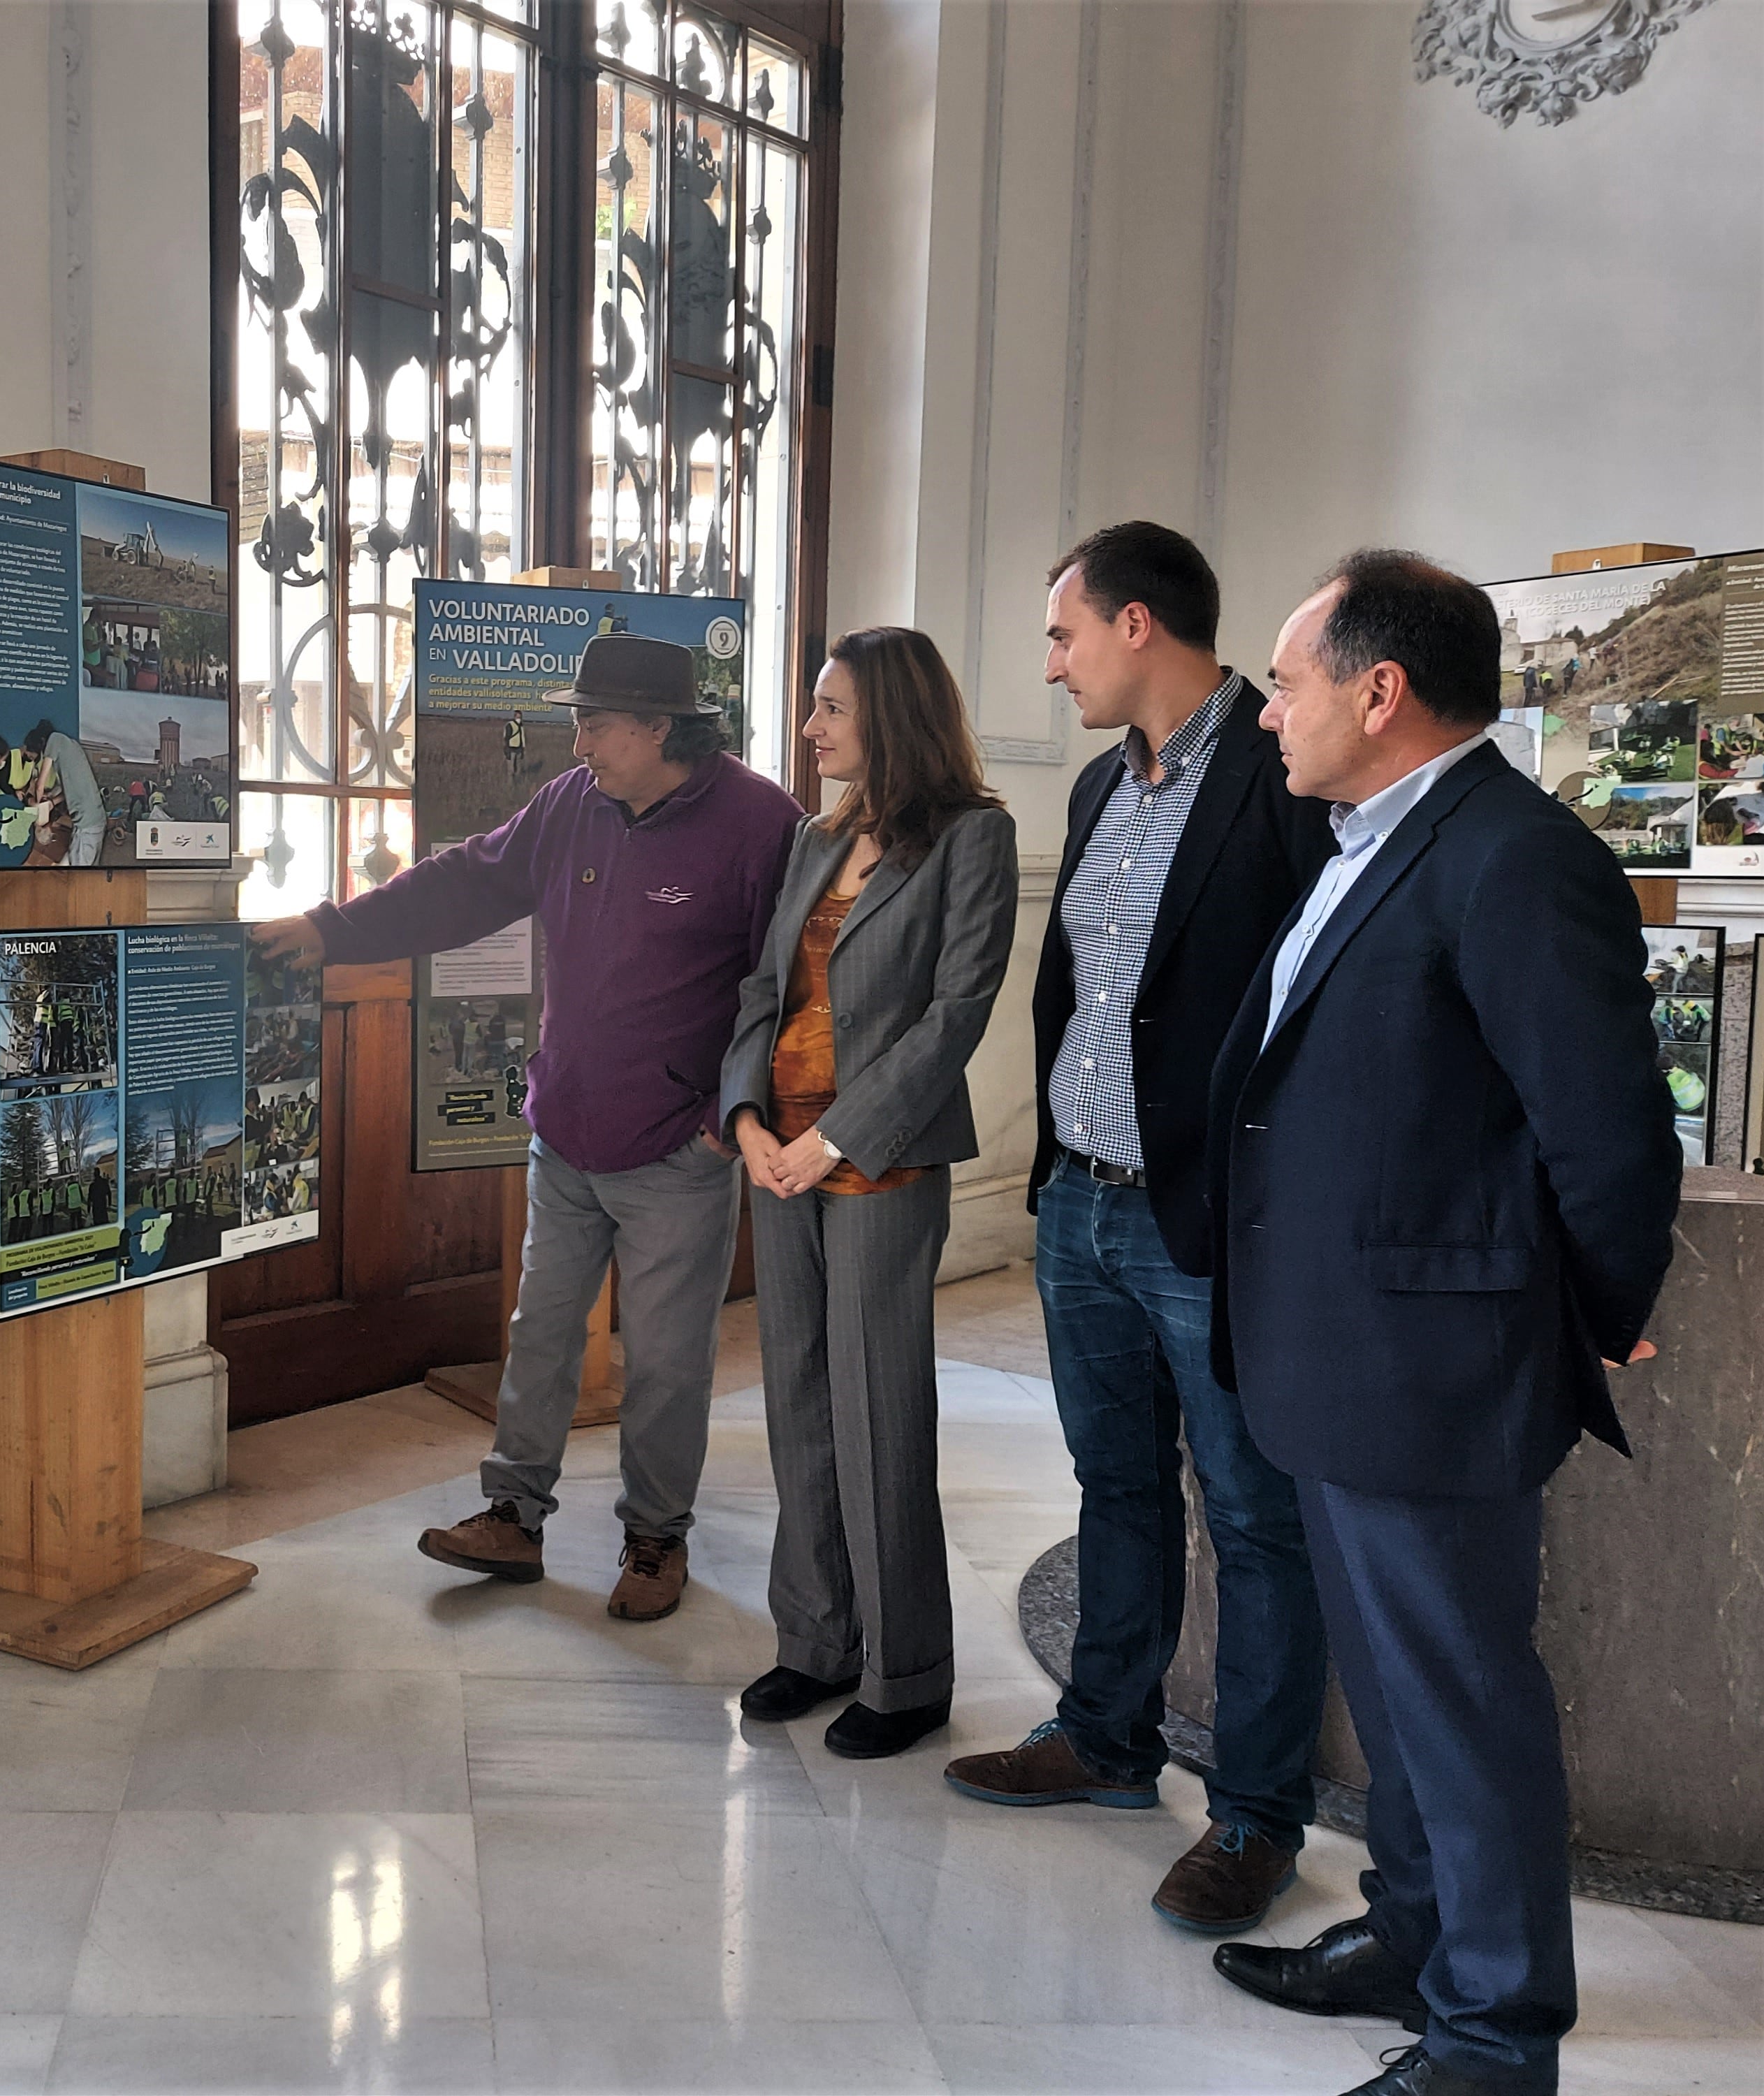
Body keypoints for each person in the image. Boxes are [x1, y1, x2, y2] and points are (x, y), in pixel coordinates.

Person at [1203, 552, 1679, 2096]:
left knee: (1462, 1703)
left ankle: (1488, 2040)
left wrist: (1591, 1317)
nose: (1264, 711)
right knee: (1399, 1691)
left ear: (1375, 690)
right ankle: (1410, 1938)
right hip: (1334, 1353)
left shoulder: (1512, 857)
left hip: (1433, 1364)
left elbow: (1606, 1138)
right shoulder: (1361, 836)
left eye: (1282, 682)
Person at [942, 522, 1338, 1936]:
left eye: (1059, 636)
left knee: (1248, 1519)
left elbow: (1317, 1007)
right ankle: (1103, 1740)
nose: (1046, 666)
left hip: (1204, 1221)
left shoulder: (1284, 775)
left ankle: (1251, 1819)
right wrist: (1050, 1169)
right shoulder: (1105, 786)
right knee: (1113, 1487)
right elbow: (1078, 994)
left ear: (1133, 627)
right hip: (1079, 1208)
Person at [255, 632, 803, 1621]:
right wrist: (333, 930)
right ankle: (512, 1515)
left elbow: (794, 983)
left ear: (657, 726)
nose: (578, 739)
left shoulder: (761, 823)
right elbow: (463, 883)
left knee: (671, 1364)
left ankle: (654, 1540)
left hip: (681, 1146)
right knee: (541, 1333)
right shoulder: (570, 806)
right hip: (566, 1132)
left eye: (594, 722)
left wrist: (734, 1115)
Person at [719, 627, 1016, 1758]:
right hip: (776, 1155)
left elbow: (955, 1014)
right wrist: (747, 1116)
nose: (810, 729)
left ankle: (907, 1673)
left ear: (888, 716)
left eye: (830, 709)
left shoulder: (975, 838)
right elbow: (762, 986)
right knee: (796, 1400)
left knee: (880, 1410)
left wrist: (835, 1138)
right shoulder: (811, 840)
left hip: (879, 1160)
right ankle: (816, 1640)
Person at [22, 718, 105, 866]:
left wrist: (39, 806)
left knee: (79, 879)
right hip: (93, 820)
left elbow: (40, 784)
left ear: (42, 741)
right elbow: (69, 790)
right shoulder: (72, 746)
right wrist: (51, 802)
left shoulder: (54, 740)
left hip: (87, 825)